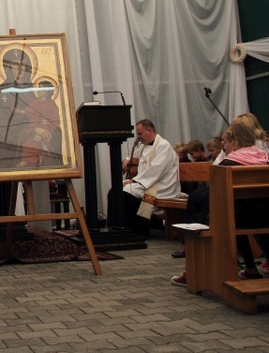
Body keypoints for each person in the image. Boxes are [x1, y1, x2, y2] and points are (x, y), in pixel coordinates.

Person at [171, 123, 269, 286]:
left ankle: (193, 271)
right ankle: (250, 268)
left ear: (236, 142)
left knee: (198, 219)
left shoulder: (228, 166)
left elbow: (216, 196)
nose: (223, 145)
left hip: (238, 218)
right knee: (226, 210)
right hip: (263, 217)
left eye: (225, 142)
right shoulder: (263, 160)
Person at [107, 119, 180, 236]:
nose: (138, 137)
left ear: (149, 130)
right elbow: (133, 156)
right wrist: (126, 160)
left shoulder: (163, 146)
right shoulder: (144, 146)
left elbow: (156, 170)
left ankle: (136, 229)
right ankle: (115, 227)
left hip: (161, 185)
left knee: (126, 192)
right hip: (146, 182)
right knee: (115, 189)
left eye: (140, 134)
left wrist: (135, 181)